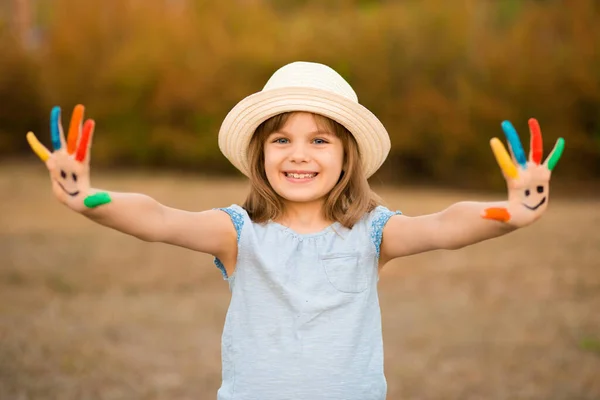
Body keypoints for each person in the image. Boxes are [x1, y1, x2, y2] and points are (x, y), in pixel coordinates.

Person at [26, 61, 564, 400]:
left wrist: (510, 212)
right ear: (260, 154)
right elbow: (160, 219)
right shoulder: (238, 234)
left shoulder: (373, 234)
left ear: (348, 156)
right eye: (281, 140)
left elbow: (444, 225)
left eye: (320, 140)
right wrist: (87, 201)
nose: (299, 155)